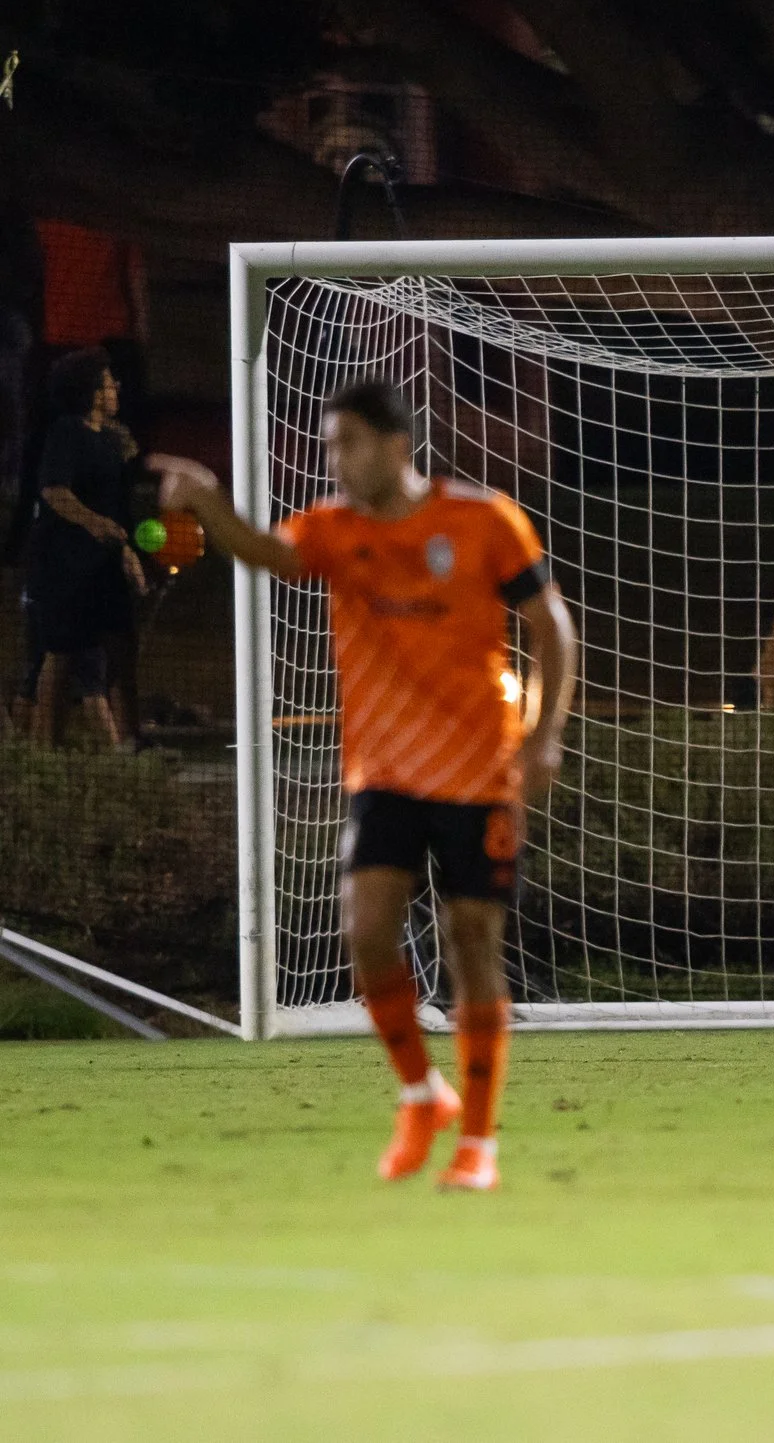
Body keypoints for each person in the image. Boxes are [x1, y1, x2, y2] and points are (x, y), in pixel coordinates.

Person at [150, 377, 579, 1192]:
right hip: (383, 772)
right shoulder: (334, 530)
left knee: (472, 941)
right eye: (328, 446)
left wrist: (544, 735)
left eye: (346, 443)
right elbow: (268, 553)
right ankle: (422, 1093)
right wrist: (206, 501)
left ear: (394, 444)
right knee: (367, 930)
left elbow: (550, 625)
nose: (334, 461)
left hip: (478, 768)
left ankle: (479, 1143)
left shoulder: (482, 520)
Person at [23, 349, 145, 748]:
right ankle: (45, 750)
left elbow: (114, 511)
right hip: (64, 566)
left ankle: (122, 747)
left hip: (100, 571)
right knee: (60, 657)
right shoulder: (66, 432)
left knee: (113, 657)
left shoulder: (110, 441)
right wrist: (96, 524)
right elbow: (55, 492)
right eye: (110, 383)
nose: (116, 389)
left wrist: (125, 554)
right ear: (92, 392)